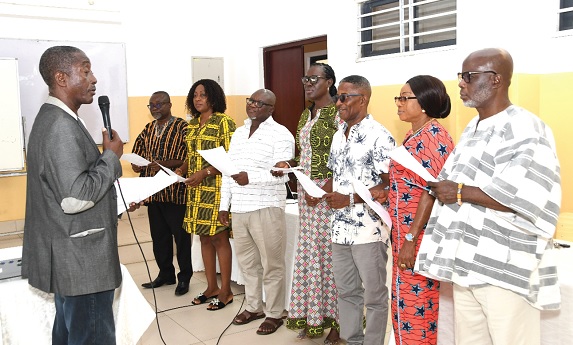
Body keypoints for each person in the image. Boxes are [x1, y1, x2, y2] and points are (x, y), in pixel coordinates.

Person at [416, 48, 561, 345]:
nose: (461, 83)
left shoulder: (525, 127)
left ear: (495, 80)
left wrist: (457, 191)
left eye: (469, 76)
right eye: (461, 76)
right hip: (467, 261)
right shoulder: (473, 127)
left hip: (504, 263)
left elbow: (527, 195)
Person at [21, 45, 126, 344]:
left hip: (72, 255)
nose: (94, 79)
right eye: (85, 70)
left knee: (70, 335)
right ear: (61, 78)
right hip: (83, 261)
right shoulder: (59, 126)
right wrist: (110, 158)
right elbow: (75, 198)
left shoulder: (56, 118)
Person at [320, 75, 396, 345]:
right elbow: (336, 175)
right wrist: (317, 188)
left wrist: (349, 199)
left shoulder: (380, 136)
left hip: (368, 231)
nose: (338, 102)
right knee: (346, 292)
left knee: (374, 297)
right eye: (336, 96)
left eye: (344, 97)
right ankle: (352, 340)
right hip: (339, 227)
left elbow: (389, 187)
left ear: (362, 99)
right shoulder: (339, 135)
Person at [272, 62, 341, 343]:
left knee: (331, 261)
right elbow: (305, 156)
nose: (308, 83)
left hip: (328, 198)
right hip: (305, 196)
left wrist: (324, 189)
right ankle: (315, 317)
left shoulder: (339, 112)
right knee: (311, 259)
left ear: (330, 82)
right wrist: (288, 164)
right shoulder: (305, 114)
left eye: (314, 78)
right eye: (305, 78)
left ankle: (339, 324)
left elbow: (344, 160)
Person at [218, 89, 295, 335]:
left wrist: (249, 178)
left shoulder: (281, 134)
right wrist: (223, 205)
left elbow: (282, 174)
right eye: (251, 101)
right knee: (249, 264)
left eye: (261, 103)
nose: (253, 106)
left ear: (271, 109)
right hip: (239, 208)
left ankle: (274, 313)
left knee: (272, 264)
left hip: (266, 208)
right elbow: (228, 171)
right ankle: (253, 306)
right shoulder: (239, 133)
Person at [387, 75, 454, 344]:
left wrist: (411, 240)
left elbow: (433, 192)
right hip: (403, 233)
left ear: (424, 103)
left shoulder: (435, 138)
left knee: (418, 308)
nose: (399, 104)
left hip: (419, 237)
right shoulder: (413, 134)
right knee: (403, 304)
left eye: (405, 98)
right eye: (399, 98)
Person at [177, 79, 236, 310]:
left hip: (217, 186)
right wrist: (183, 168)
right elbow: (192, 155)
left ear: (213, 97)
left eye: (203, 95)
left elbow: (232, 158)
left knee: (219, 238)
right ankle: (211, 287)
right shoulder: (191, 125)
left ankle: (226, 291)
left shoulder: (224, 122)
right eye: (195, 95)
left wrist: (206, 172)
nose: (198, 99)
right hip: (196, 189)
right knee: (203, 237)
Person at [132, 91, 192, 296]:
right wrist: (137, 163)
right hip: (153, 192)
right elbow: (138, 151)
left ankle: (184, 278)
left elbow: (188, 156)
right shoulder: (148, 128)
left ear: (169, 104)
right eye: (151, 106)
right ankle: (166, 274)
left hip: (175, 191)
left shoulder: (183, 127)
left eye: (159, 104)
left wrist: (161, 164)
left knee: (181, 237)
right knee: (159, 237)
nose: (155, 108)